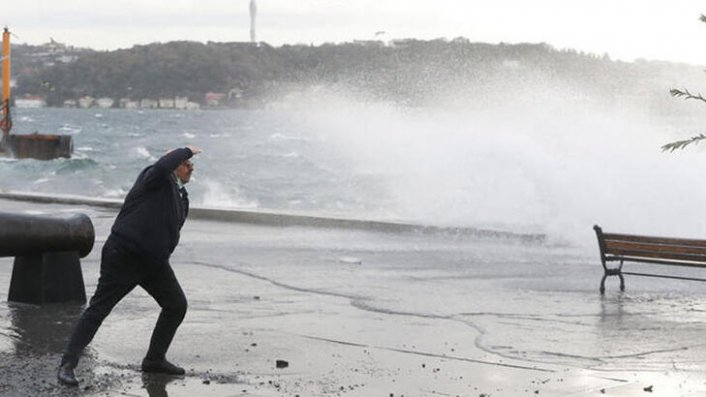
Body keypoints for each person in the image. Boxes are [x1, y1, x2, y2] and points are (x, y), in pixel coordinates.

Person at [57, 145, 202, 386]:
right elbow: (163, 164)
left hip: (153, 263)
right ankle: (67, 365)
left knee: (176, 305)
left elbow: (171, 228)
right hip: (124, 255)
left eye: (191, 164)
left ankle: (154, 359)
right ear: (174, 164)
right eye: (186, 163)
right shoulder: (153, 177)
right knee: (98, 310)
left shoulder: (180, 195)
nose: (191, 167)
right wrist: (186, 149)